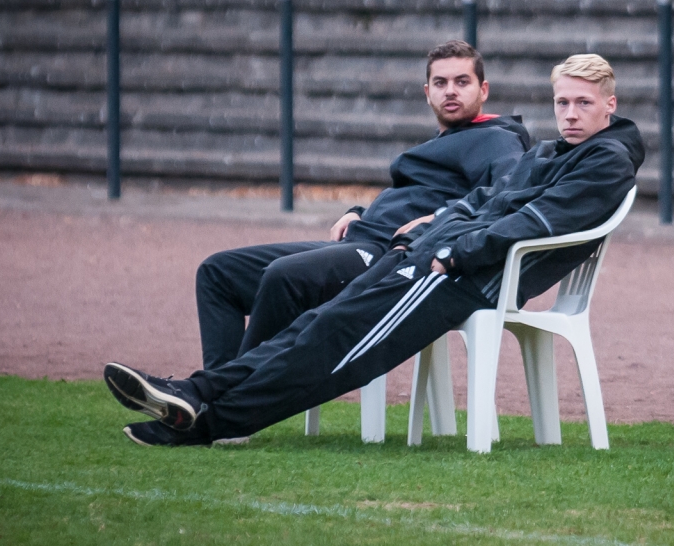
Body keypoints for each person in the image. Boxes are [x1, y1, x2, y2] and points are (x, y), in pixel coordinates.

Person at [104, 54, 645, 447]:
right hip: (430, 257)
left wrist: (455, 253)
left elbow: (530, 222)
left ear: (609, 105)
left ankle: (209, 422)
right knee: (314, 325)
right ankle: (195, 393)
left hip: (464, 279)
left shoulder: (606, 161)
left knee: (335, 346)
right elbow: (484, 199)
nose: (570, 113)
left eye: (583, 103)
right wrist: (419, 236)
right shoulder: (553, 151)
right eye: (562, 102)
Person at [195, 40, 530, 369]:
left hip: (393, 256)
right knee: (218, 272)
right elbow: (413, 195)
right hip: (360, 239)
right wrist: (359, 211)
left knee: (283, 276)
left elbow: (506, 194)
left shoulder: (498, 139)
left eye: (462, 82)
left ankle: (229, 395)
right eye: (440, 83)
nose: (450, 91)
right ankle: (210, 393)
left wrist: (439, 219)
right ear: (427, 93)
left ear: (483, 90)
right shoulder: (446, 142)